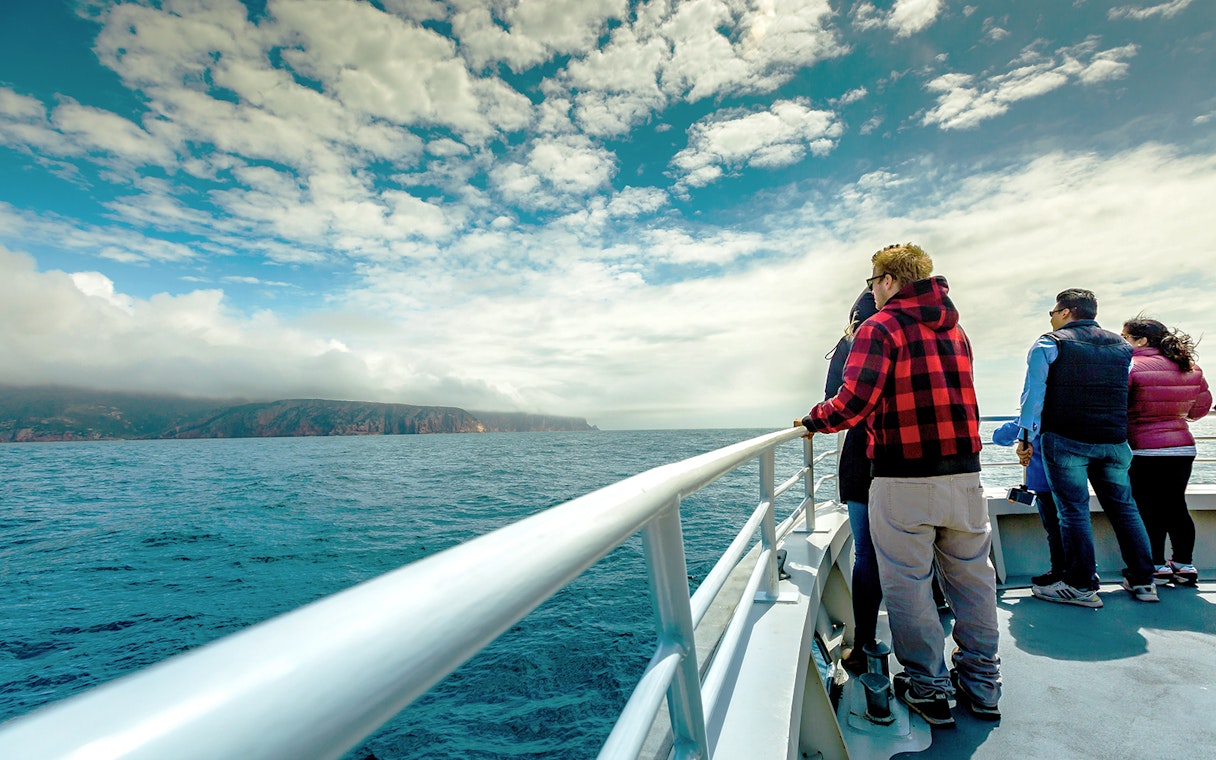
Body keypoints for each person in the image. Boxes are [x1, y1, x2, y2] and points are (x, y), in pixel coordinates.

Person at [799, 243, 1001, 727]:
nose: (872, 288)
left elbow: (852, 404)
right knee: (972, 580)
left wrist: (812, 419)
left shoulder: (880, 326)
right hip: (966, 474)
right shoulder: (957, 330)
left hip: (904, 476)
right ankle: (982, 684)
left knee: (908, 585)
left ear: (888, 280)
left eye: (873, 280)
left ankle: (928, 688)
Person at [1015, 289, 1158, 607]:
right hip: (1113, 441)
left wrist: (1025, 437)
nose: (1051, 318)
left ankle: (1080, 585)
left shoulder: (1048, 343)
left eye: (1052, 312)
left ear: (1066, 312)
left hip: (1066, 440)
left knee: (1072, 512)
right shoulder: (1121, 346)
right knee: (1125, 508)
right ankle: (1143, 580)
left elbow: (1033, 396)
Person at [1123, 317, 1212, 585]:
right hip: (1183, 447)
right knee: (1176, 506)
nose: (1122, 342)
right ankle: (1184, 565)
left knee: (1147, 509)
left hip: (1143, 449)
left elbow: (1119, 406)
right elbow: (1199, 410)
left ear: (1142, 341)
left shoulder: (1131, 367)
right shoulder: (1190, 367)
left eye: (1125, 337)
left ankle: (1157, 566)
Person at [823, 289, 883, 674]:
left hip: (864, 455)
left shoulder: (852, 342)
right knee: (919, 546)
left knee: (868, 553)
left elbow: (834, 400)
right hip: (919, 455)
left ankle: (863, 645)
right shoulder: (926, 332)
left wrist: (814, 421)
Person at [992, 420, 1066, 584]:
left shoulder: (1031, 420)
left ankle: (1059, 572)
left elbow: (999, 437)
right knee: (1074, 526)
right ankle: (1085, 570)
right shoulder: (1066, 413)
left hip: (1044, 483)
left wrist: (1020, 421)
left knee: (1054, 530)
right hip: (1072, 479)